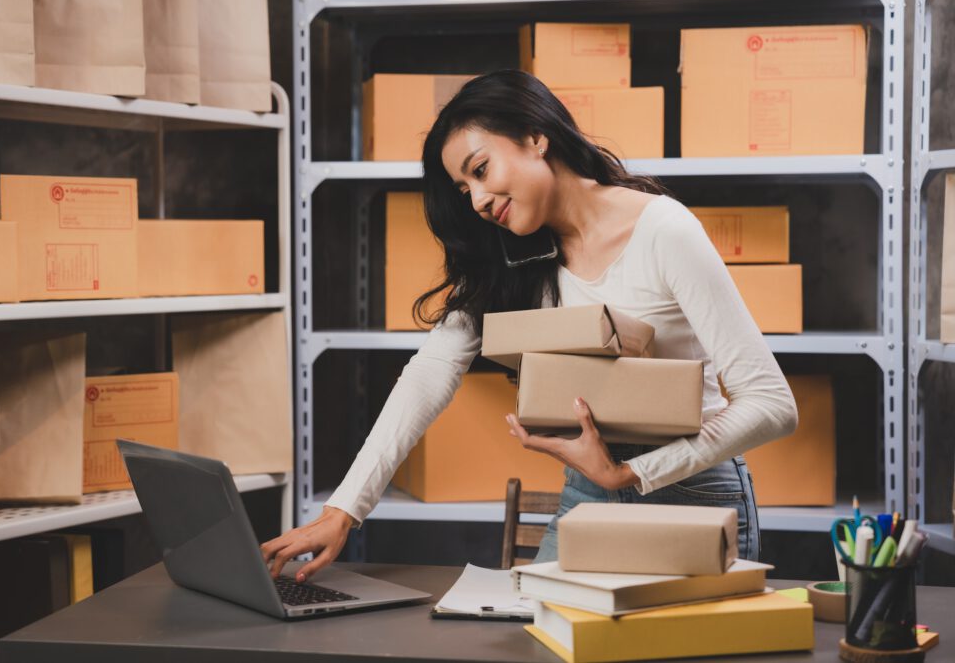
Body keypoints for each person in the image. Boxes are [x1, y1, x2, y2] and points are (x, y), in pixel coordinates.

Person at [262, 69, 798, 582]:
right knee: (528, 639)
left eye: (479, 170)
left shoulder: (663, 230)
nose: (475, 199)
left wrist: (632, 473)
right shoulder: (512, 258)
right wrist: (343, 510)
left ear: (535, 137)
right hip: (588, 490)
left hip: (691, 493)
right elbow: (430, 371)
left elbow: (771, 403)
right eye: (462, 189)